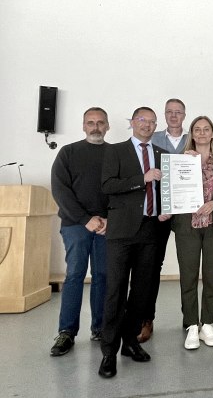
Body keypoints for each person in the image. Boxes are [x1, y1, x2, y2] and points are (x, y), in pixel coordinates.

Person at [98, 107, 170, 379]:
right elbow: (107, 185)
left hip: (151, 230)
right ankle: (108, 351)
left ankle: (129, 341)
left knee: (141, 292)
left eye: (152, 122)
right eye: (142, 120)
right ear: (132, 123)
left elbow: (166, 189)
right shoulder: (115, 151)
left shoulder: (162, 155)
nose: (147, 125)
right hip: (121, 233)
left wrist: (167, 207)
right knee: (115, 292)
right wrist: (142, 178)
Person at [49, 107, 110, 356]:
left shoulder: (115, 153)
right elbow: (60, 191)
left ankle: (100, 327)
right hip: (76, 225)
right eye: (90, 123)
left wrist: (109, 220)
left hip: (106, 226)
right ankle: (66, 332)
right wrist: (86, 219)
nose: (95, 127)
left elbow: (121, 190)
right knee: (74, 275)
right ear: (83, 126)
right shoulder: (68, 153)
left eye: (100, 123)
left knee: (103, 276)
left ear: (107, 126)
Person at [174, 116, 213, 350]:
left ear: (212, 134)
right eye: (197, 129)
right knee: (188, 277)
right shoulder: (181, 159)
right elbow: (170, 187)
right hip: (187, 227)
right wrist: (180, 161)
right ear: (191, 134)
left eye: (206, 129)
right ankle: (191, 325)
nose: (201, 133)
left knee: (211, 277)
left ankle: (207, 323)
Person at [138, 98, 188, 343]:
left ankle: (190, 319)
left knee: (190, 268)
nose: (174, 116)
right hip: (158, 214)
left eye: (178, 112)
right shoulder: (152, 139)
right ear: (164, 115)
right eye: (169, 112)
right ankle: (146, 319)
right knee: (151, 267)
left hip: (189, 213)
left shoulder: (195, 139)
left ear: (184, 115)